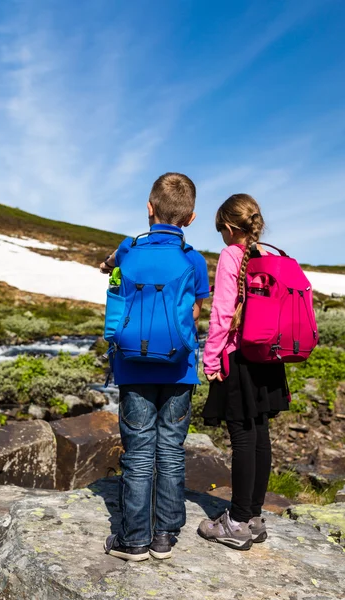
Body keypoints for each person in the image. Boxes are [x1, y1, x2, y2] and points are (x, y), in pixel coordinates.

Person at [100, 173, 210, 562]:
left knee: (139, 451)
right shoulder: (193, 259)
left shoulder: (129, 250)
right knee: (171, 450)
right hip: (179, 370)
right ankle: (164, 536)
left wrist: (108, 263)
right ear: (191, 218)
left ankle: (133, 540)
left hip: (132, 368)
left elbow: (111, 268)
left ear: (149, 209)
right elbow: (194, 313)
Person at [198, 193, 289, 551]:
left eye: (221, 228)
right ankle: (252, 516)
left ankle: (234, 522)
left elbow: (221, 314)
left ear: (230, 226)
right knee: (260, 434)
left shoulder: (231, 255)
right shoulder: (270, 256)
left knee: (242, 438)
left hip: (239, 357)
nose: (220, 234)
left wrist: (210, 358)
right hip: (269, 358)